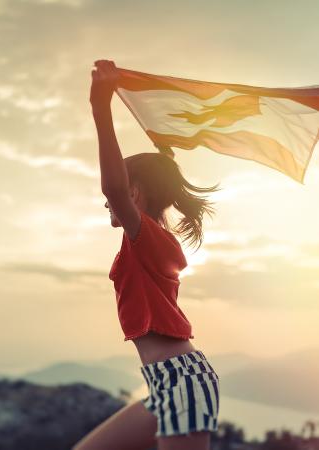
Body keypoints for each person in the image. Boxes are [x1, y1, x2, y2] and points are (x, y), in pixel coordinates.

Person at [72, 60, 222, 450]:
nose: (107, 201)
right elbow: (119, 190)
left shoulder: (148, 237)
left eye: (122, 189)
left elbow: (114, 190)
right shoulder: (152, 241)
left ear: (135, 192)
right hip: (168, 382)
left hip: (181, 380)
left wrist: (100, 107)